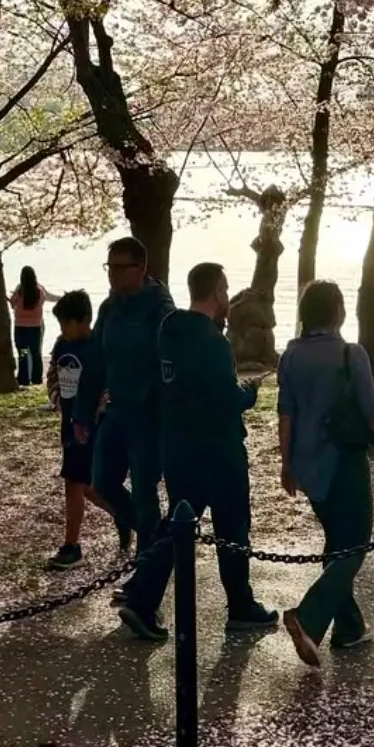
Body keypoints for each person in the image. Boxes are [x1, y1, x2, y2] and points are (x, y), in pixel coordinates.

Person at [118, 262, 278, 643]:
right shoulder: (213, 342)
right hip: (218, 449)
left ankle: (142, 598)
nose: (228, 297)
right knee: (233, 526)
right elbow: (225, 398)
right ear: (217, 291)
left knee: (177, 525)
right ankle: (240, 606)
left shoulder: (169, 329)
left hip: (177, 446)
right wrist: (249, 393)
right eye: (226, 289)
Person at [277, 278, 374, 667]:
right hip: (344, 461)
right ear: (338, 311)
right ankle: (309, 616)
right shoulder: (351, 354)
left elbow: (286, 413)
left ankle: (349, 628)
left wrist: (286, 463)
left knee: (337, 543)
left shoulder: (291, 355)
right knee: (354, 545)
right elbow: (373, 410)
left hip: (307, 463)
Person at [73, 236, 174, 576]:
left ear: (141, 268)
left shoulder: (160, 307)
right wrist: (82, 413)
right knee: (101, 483)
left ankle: (145, 571)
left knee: (145, 491)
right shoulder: (109, 308)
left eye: (120, 267)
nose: (112, 274)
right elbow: (95, 362)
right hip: (116, 411)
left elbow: (171, 362)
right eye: (109, 267)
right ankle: (157, 539)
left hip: (148, 415)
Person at [46, 290, 121, 570]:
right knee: (86, 486)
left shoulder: (95, 348)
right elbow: (53, 375)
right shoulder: (61, 345)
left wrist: (90, 415)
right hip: (69, 424)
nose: (62, 330)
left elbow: (104, 386)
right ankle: (124, 516)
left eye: (66, 324)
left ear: (83, 321)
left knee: (76, 483)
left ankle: (72, 545)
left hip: (89, 426)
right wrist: (58, 399)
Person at [10, 264, 57, 388]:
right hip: (35, 327)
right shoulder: (39, 291)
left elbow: (13, 304)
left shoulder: (19, 291)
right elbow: (41, 303)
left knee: (23, 353)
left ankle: (23, 378)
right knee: (36, 353)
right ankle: (37, 379)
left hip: (20, 328)